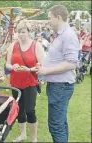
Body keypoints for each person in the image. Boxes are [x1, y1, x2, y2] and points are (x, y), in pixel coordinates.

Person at [36, 5, 80, 142]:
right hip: (57, 86)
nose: (48, 21)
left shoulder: (68, 35)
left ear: (59, 17)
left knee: (55, 126)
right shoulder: (61, 34)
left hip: (60, 87)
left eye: (50, 18)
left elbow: (71, 63)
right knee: (60, 124)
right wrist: (44, 65)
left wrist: (46, 70)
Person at [6, 20, 44, 142]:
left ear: (28, 32)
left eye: (23, 32)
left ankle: (34, 138)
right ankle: (23, 134)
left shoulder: (36, 45)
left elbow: (42, 65)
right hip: (16, 83)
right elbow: (7, 64)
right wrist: (13, 67)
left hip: (30, 82)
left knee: (30, 110)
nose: (21, 35)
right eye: (19, 32)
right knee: (19, 110)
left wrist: (29, 69)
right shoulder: (13, 45)